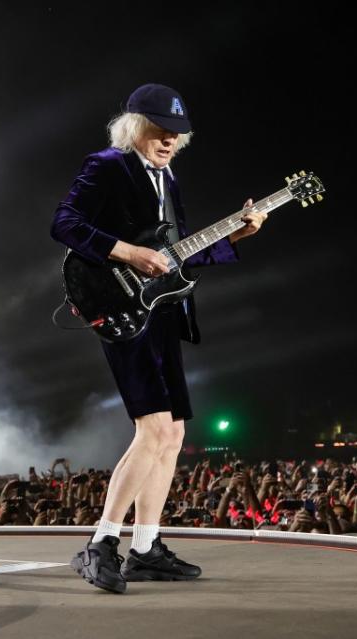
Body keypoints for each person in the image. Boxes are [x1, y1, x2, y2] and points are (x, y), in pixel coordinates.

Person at [51, 84, 267, 593]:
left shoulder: (168, 178)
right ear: (134, 126)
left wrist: (234, 238)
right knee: (152, 430)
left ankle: (145, 547)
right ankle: (100, 544)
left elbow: (175, 258)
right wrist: (124, 251)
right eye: (160, 132)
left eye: (177, 135)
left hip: (162, 311)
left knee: (172, 436)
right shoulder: (109, 164)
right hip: (120, 307)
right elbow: (64, 222)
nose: (169, 141)